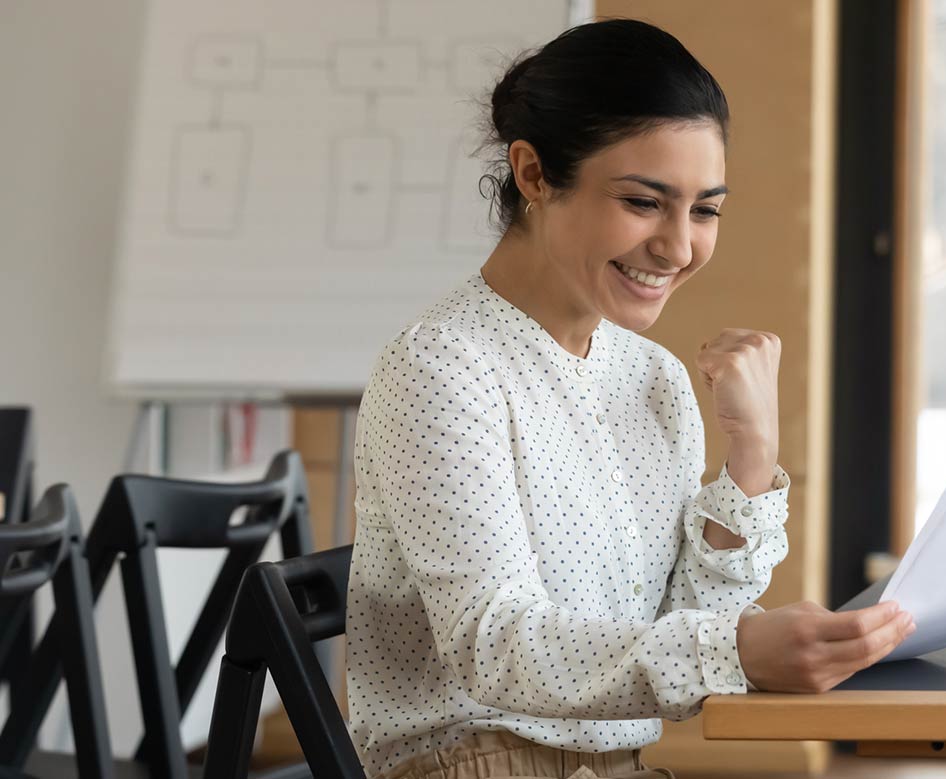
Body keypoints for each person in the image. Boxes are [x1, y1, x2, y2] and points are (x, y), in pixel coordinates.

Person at [344, 19, 916, 779]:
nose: (680, 248)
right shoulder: (443, 368)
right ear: (534, 174)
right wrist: (737, 650)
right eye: (645, 202)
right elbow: (496, 647)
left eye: (705, 209)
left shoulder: (653, 375)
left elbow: (682, 624)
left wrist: (752, 458)